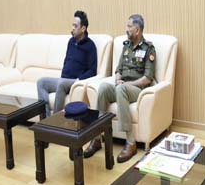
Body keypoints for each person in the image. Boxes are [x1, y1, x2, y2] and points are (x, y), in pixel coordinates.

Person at [83, 14, 156, 163]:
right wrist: (117, 79)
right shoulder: (126, 46)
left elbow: (147, 78)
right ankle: (96, 138)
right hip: (122, 87)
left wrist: (127, 85)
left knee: (120, 89)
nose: (126, 29)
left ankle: (131, 143)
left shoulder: (149, 49)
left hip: (137, 89)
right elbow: (118, 69)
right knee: (104, 87)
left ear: (137, 30)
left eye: (129, 26)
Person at [36, 11, 97, 116]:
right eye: (72, 25)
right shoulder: (71, 42)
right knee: (41, 82)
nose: (72, 28)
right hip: (63, 80)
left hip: (74, 81)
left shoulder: (90, 46)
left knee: (61, 84)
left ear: (83, 28)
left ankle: (55, 120)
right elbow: (66, 61)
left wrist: (79, 80)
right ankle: (46, 118)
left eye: (75, 26)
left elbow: (92, 70)